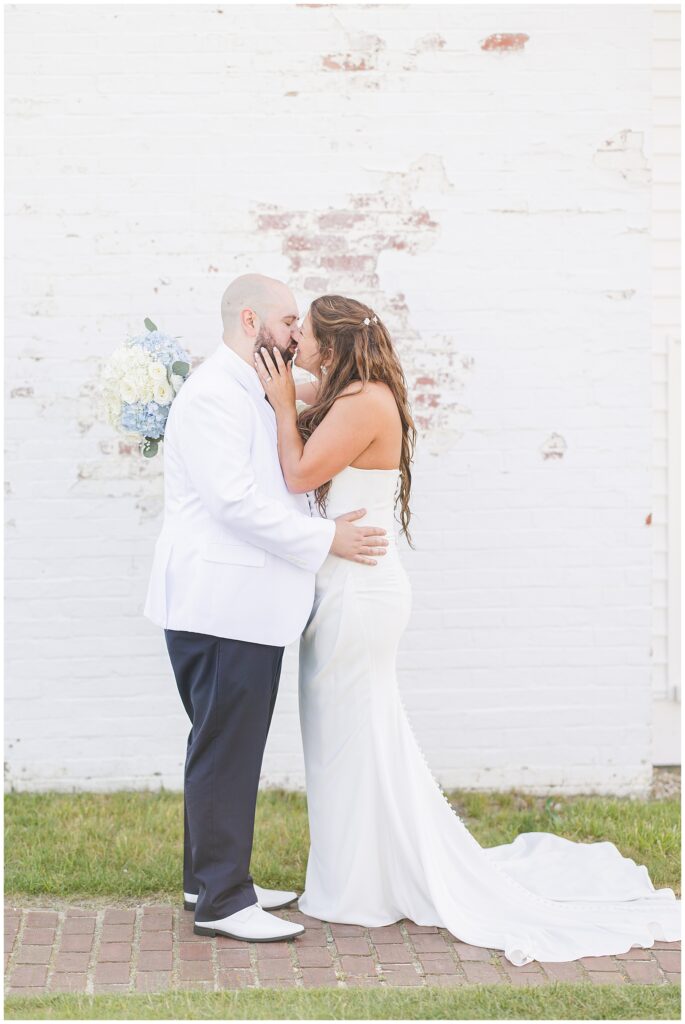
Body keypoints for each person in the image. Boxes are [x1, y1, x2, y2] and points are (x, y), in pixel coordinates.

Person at [253, 292, 681, 966]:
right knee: (346, 738)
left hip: (358, 592)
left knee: (351, 736)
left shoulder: (363, 401)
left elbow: (299, 470)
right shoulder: (353, 391)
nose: (295, 347)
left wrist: (281, 405)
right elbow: (304, 415)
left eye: (303, 336)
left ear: (331, 347)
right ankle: (355, 875)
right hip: (343, 586)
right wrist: (274, 384)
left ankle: (360, 887)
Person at [143, 275, 389, 943]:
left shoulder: (249, 384)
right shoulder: (213, 396)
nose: (295, 335)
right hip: (222, 604)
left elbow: (321, 397)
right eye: (286, 322)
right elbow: (232, 503)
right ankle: (223, 902)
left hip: (237, 604)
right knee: (227, 747)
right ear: (249, 320)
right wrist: (325, 537)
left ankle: (208, 880)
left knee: (219, 742)